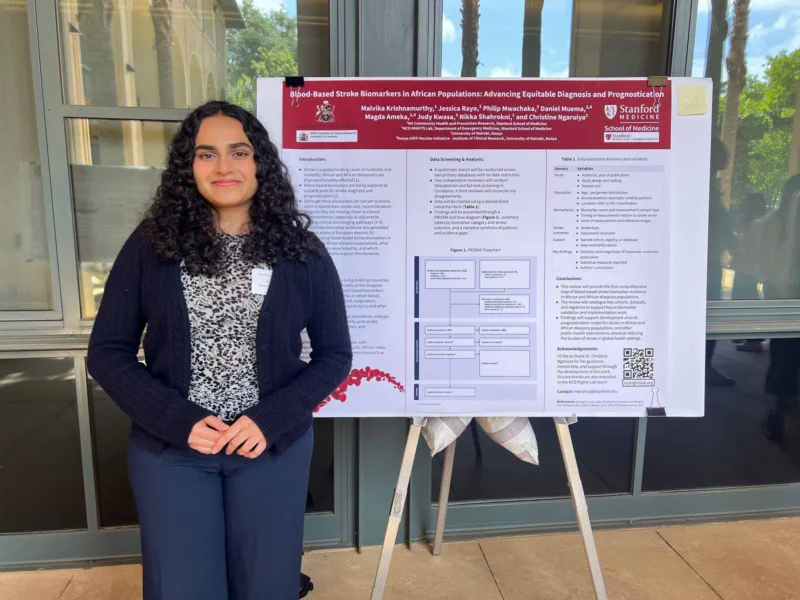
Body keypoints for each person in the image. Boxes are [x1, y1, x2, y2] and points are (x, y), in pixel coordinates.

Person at [87, 101, 352, 599]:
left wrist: (269, 419)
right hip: (173, 452)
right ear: (188, 167)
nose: (224, 167)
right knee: (183, 587)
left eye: (239, 152)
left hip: (271, 449)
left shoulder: (302, 251)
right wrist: (178, 421)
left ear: (261, 164)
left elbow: (336, 355)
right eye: (206, 154)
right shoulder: (152, 246)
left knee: (266, 585)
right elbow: (107, 352)